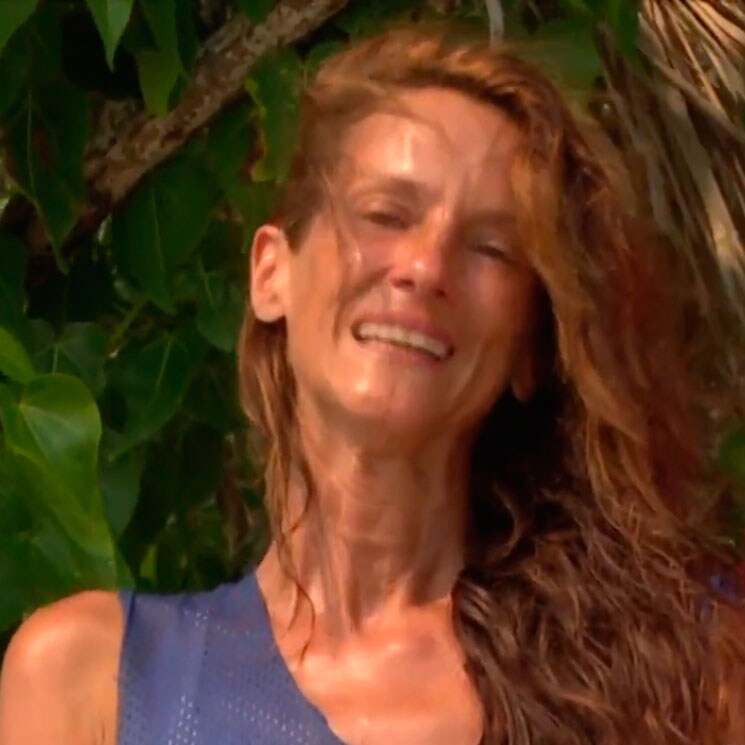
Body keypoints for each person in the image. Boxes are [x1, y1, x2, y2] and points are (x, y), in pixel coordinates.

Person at [0, 25, 743, 745]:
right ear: (271, 273)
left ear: (530, 347)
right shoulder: (96, 680)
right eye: (385, 214)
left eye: (490, 247)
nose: (424, 266)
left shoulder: (684, 673)